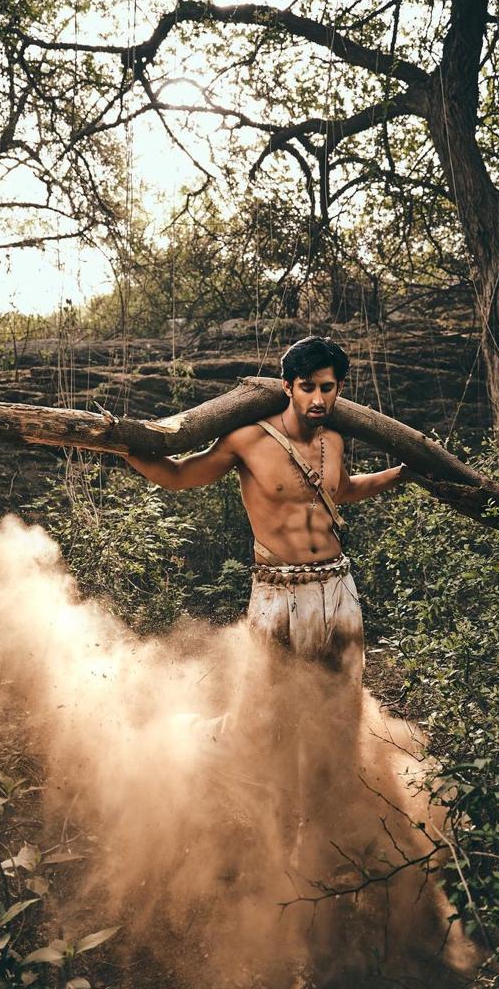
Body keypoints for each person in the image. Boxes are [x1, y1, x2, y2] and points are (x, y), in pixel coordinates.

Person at [126, 335, 412, 861]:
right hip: (277, 594)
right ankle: (195, 751)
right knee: (265, 719)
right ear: (287, 387)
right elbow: (180, 475)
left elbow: (343, 490)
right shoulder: (247, 440)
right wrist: (123, 444)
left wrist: (398, 475)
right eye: (308, 387)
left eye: (328, 388)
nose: (318, 399)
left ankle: (323, 838)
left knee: (340, 714)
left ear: (339, 389)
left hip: (337, 590)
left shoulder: (334, 440)